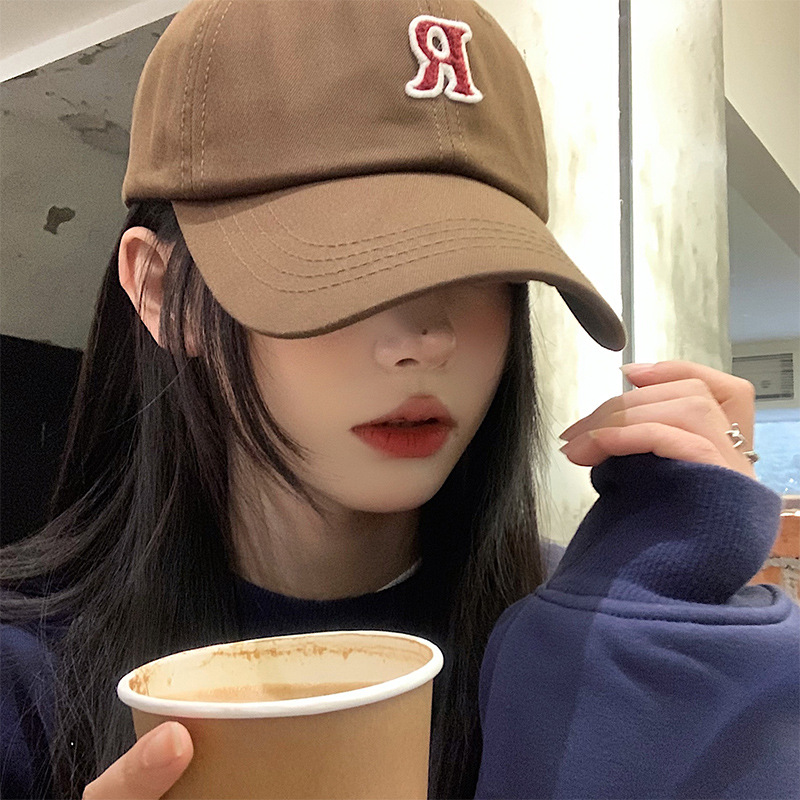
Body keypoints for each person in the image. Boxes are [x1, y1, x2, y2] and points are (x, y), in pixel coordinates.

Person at [1, 1, 797, 798]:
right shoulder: (24, 678)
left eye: (477, 266)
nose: (426, 339)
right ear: (159, 292)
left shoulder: (585, 644)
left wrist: (672, 664)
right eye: (338, 260)